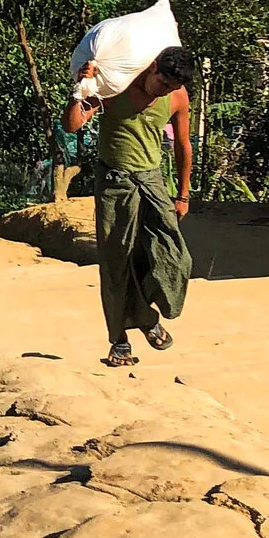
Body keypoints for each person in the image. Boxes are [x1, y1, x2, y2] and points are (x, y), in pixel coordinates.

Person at [69, 46, 197, 368]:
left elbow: (183, 145)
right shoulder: (114, 86)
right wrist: (81, 89)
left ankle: (145, 314)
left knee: (171, 256)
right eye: (162, 83)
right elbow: (72, 124)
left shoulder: (178, 98)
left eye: (171, 87)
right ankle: (120, 340)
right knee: (116, 264)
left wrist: (182, 195)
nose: (165, 91)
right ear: (152, 67)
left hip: (152, 182)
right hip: (114, 185)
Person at [53, 68, 102, 204]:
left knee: (72, 166)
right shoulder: (64, 122)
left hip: (78, 140)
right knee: (62, 165)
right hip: (68, 139)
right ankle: (59, 195)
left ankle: (60, 195)